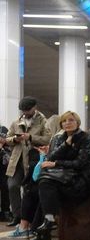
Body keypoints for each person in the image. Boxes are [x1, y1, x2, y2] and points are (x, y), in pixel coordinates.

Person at [26, 111, 90, 240]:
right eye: (64, 121)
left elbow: (80, 163)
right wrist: (66, 145)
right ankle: (48, 222)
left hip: (80, 181)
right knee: (43, 186)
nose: (67, 123)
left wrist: (57, 163)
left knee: (45, 184)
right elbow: (51, 156)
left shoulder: (85, 138)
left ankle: (41, 229)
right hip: (63, 178)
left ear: (78, 122)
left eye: (71, 120)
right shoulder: (60, 138)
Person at [6, 97, 51, 230]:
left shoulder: (43, 121)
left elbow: (48, 139)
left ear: (34, 107)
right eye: (23, 110)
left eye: (27, 110)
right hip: (17, 159)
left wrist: (30, 137)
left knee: (29, 189)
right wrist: (15, 139)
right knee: (12, 186)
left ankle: (28, 219)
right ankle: (17, 216)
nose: (25, 113)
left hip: (33, 160)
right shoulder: (16, 122)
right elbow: (8, 138)